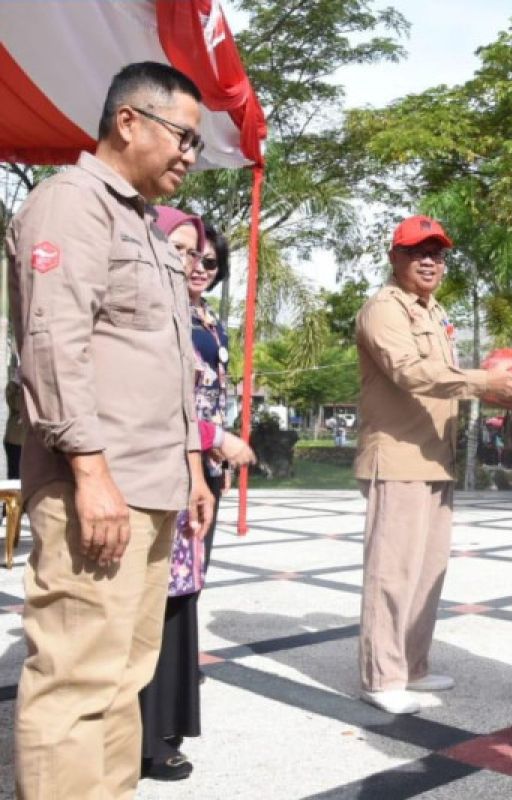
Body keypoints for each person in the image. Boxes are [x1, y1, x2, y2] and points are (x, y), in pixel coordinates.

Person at [7, 61, 214, 799]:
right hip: (95, 484)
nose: (191, 154)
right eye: (183, 136)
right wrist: (91, 476)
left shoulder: (149, 228)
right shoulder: (70, 206)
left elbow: (164, 362)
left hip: (150, 486)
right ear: (129, 121)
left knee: (125, 676)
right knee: (75, 678)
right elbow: (54, 346)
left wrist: (190, 469)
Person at [354, 214, 512, 715]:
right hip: (397, 458)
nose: (430, 260)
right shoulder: (383, 310)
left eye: (437, 252)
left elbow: (446, 375)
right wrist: (485, 383)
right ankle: (381, 676)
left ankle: (412, 664)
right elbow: (411, 372)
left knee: (426, 570)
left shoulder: (434, 312)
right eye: (418, 251)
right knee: (392, 572)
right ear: (395, 258)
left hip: (435, 458)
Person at [137, 213, 255, 781]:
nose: (199, 267)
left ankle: (167, 717)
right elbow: (162, 398)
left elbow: (210, 396)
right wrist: (217, 440)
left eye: (210, 260)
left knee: (184, 595)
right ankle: (146, 731)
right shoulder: (157, 312)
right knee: (158, 600)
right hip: (164, 468)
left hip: (200, 472)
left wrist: (215, 460)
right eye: (185, 254)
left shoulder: (208, 317)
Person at [4, 374, 25, 479]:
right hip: (16, 440)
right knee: (15, 475)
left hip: (30, 440)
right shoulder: (13, 386)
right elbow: (17, 405)